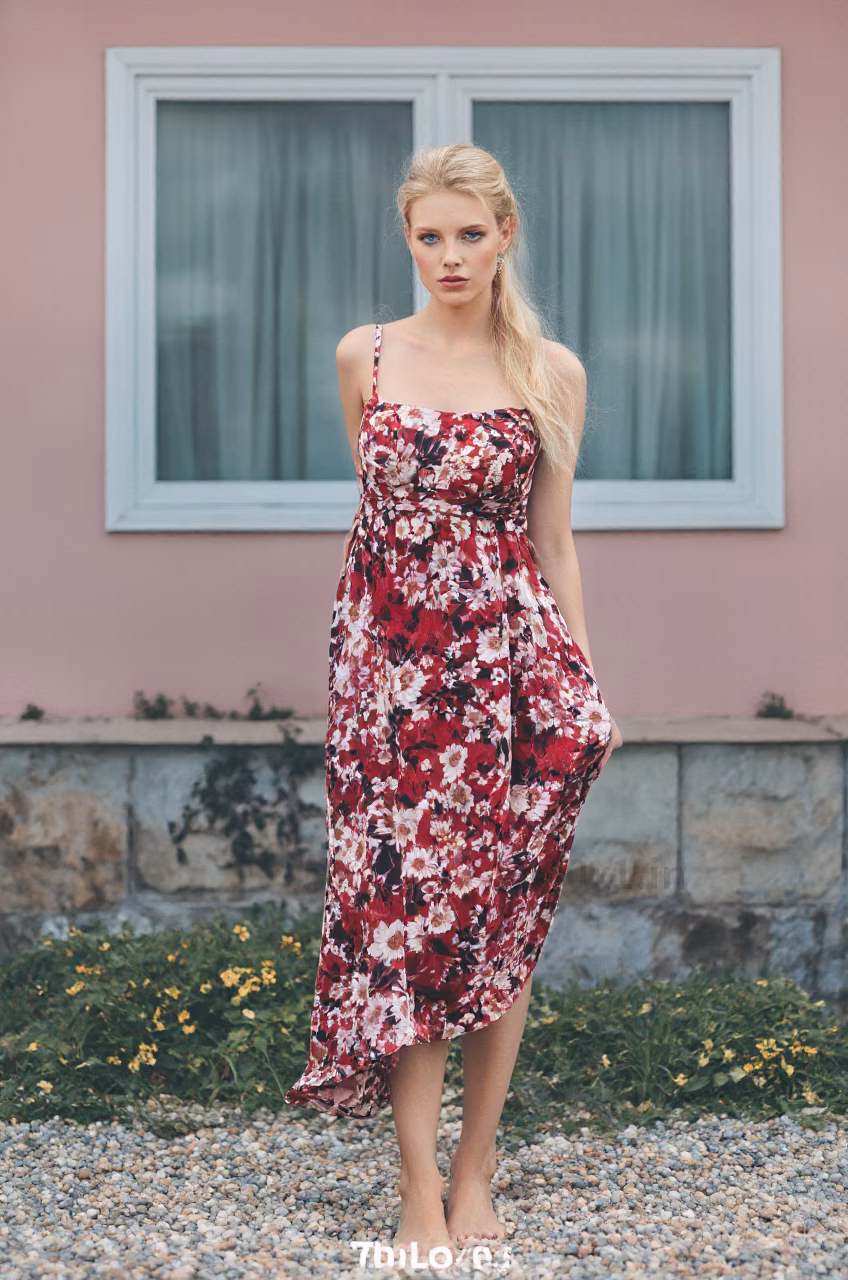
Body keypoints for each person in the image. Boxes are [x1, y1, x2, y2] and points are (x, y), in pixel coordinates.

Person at [284, 142, 623, 1264]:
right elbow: (378, 534)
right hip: (389, 685)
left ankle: (476, 1166)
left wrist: (585, 683)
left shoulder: (550, 371)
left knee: (496, 926)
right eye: (427, 235)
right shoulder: (363, 356)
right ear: (407, 239)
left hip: (513, 683)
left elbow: (553, 542)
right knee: (404, 924)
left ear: (504, 235)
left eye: (467, 234)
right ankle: (414, 1182)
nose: (447, 255)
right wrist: (372, 680)